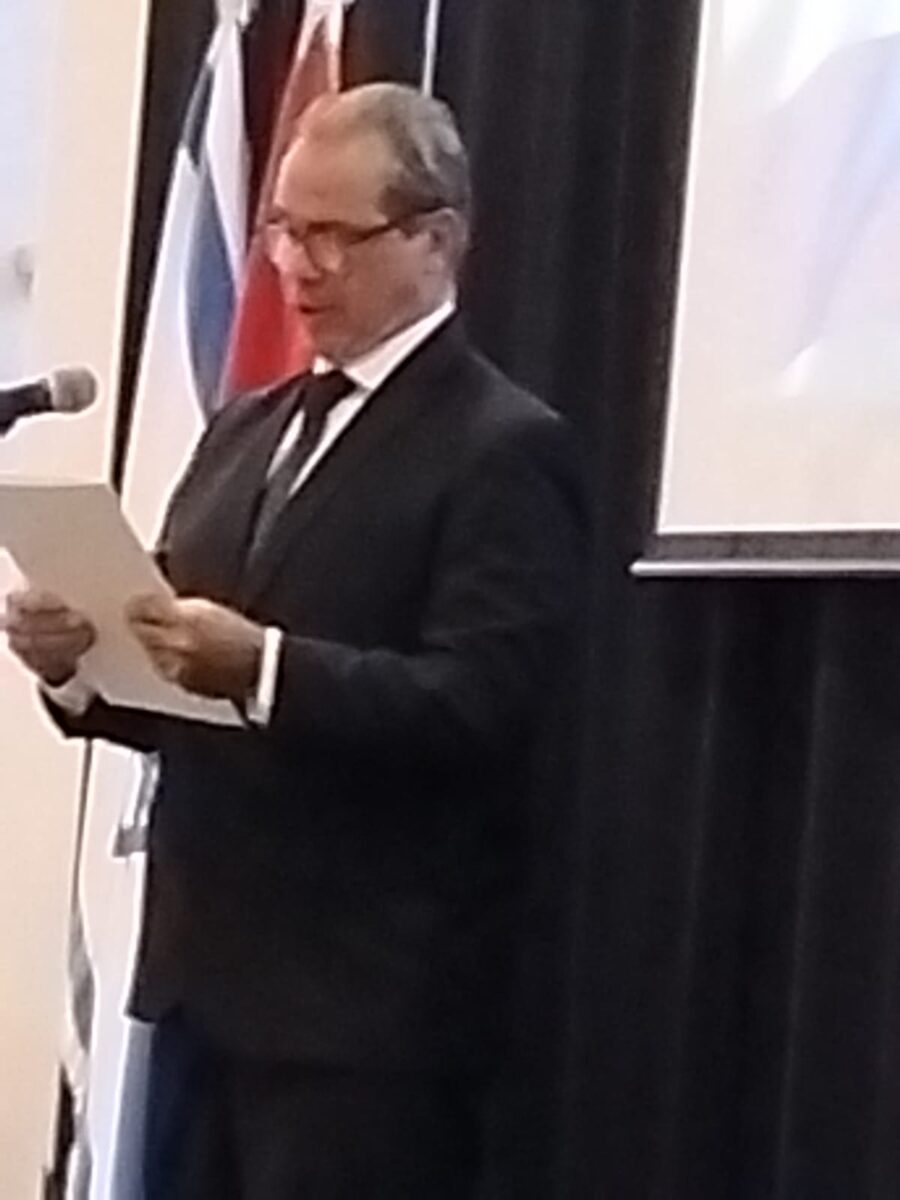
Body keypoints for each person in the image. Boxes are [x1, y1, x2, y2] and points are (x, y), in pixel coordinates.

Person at [5, 83, 586, 1198]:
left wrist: (264, 665)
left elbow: (482, 704)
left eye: (333, 235)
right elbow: (175, 672)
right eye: (281, 230)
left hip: (365, 1021)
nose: (296, 267)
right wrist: (75, 662)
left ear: (436, 240)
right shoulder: (244, 428)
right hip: (203, 983)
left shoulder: (502, 447)